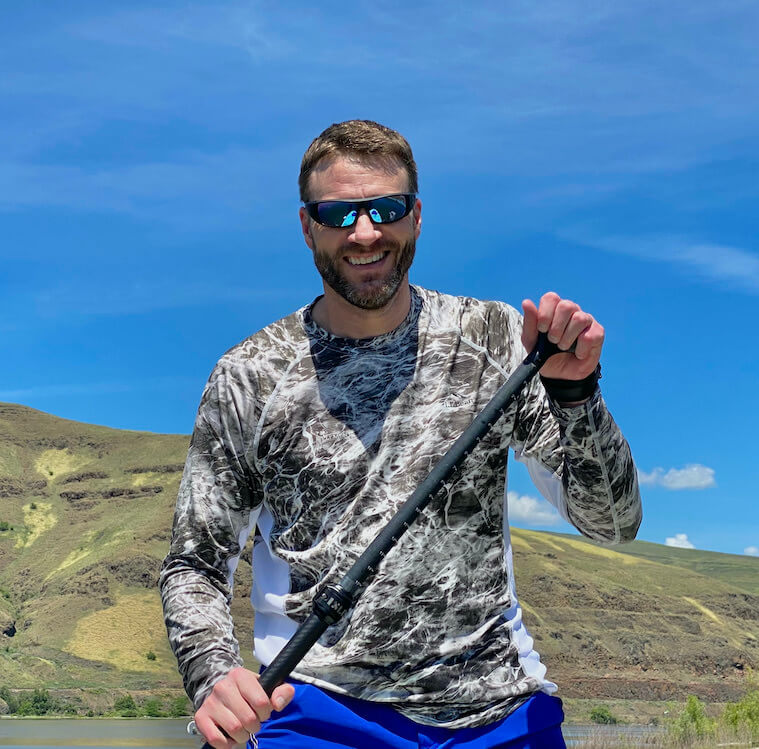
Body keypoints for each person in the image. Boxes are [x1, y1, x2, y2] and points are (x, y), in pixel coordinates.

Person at [160, 120, 642, 749]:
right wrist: (212, 676)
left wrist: (577, 395)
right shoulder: (250, 374)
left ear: (416, 217)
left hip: (498, 713)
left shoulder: (497, 339)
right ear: (307, 227)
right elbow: (195, 561)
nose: (365, 233)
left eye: (385, 208)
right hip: (315, 710)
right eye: (337, 213)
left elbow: (611, 520)